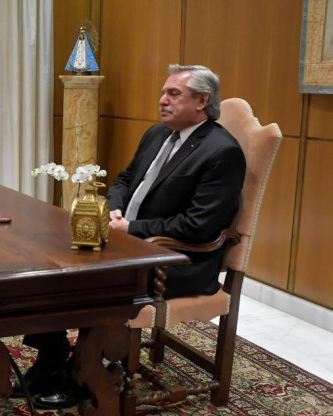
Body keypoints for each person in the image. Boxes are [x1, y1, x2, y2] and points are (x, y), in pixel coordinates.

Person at [15, 64, 246, 409]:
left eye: (173, 94)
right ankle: (49, 362)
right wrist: (114, 210)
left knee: (88, 281)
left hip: (176, 260)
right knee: (52, 263)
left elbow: (199, 226)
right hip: (129, 243)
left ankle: (85, 377)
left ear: (202, 101)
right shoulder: (157, 134)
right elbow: (123, 180)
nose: (162, 100)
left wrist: (133, 229)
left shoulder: (221, 151)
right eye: (163, 92)